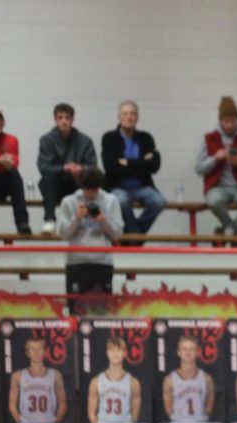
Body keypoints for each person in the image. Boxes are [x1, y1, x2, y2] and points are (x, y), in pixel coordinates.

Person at [56, 168, 124, 315]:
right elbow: (64, 234)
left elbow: (117, 234)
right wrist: (77, 218)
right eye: (87, 190)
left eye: (94, 190)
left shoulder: (111, 200)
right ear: (81, 186)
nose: (91, 194)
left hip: (102, 262)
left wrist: (103, 221)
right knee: (76, 312)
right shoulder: (68, 201)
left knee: (101, 313)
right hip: (76, 262)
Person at [195, 96, 237, 237]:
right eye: (226, 121)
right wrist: (215, 158)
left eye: (232, 121)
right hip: (218, 187)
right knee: (213, 201)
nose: (229, 125)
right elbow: (199, 168)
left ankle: (230, 229)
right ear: (220, 121)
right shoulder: (208, 138)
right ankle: (230, 228)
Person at [101, 100, 166, 238]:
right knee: (121, 200)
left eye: (132, 114)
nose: (129, 117)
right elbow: (111, 168)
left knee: (160, 202)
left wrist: (128, 163)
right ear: (119, 116)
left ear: (137, 117)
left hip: (142, 186)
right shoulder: (109, 138)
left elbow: (154, 166)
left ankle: (133, 233)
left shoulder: (146, 138)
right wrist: (142, 163)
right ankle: (136, 235)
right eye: (125, 113)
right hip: (118, 186)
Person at [37, 102, 97, 234]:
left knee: (92, 180)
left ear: (72, 120)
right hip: (55, 187)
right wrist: (64, 168)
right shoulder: (46, 140)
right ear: (55, 119)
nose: (64, 121)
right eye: (60, 118)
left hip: (76, 185)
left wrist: (80, 169)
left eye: (67, 118)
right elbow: (43, 167)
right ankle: (49, 220)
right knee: (47, 178)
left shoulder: (85, 141)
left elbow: (93, 167)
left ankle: (85, 221)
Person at [8, 337, 67, 423]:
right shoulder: (18, 376)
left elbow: (62, 404)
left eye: (39, 349)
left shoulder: (55, 375)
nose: (36, 352)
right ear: (27, 353)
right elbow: (12, 405)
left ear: (45, 352)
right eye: (32, 349)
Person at [88, 336, 141, 423]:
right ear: (107, 353)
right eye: (112, 350)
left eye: (119, 350)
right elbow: (91, 412)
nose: (115, 354)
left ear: (124, 353)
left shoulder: (133, 382)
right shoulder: (96, 381)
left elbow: (135, 415)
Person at [162, 336, 214, 423]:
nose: (188, 352)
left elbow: (209, 408)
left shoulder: (206, 378)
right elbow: (168, 410)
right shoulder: (170, 380)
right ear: (179, 352)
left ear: (197, 352)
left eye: (191, 349)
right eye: (184, 349)